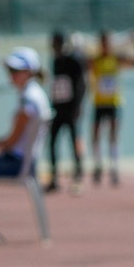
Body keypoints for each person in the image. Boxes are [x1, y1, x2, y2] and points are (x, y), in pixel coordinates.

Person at [0, 47, 52, 240]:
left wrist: (0, 146)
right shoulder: (34, 94)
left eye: (15, 71)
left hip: (17, 163)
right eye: (9, 70)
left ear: (28, 72)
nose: (11, 75)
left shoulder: (29, 98)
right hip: (21, 160)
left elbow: (12, 139)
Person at [88, 29, 134, 186]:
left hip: (114, 102)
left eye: (108, 42)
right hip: (99, 103)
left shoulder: (116, 59)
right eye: (103, 42)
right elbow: (81, 64)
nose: (105, 45)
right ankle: (98, 165)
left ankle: (114, 167)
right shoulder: (95, 60)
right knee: (96, 135)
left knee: (113, 136)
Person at [47, 31, 86, 194]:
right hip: (58, 110)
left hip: (71, 110)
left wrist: (77, 106)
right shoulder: (54, 61)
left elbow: (80, 84)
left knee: (73, 141)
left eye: (56, 43)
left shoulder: (73, 61)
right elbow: (56, 86)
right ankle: (54, 177)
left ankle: (78, 175)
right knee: (52, 142)